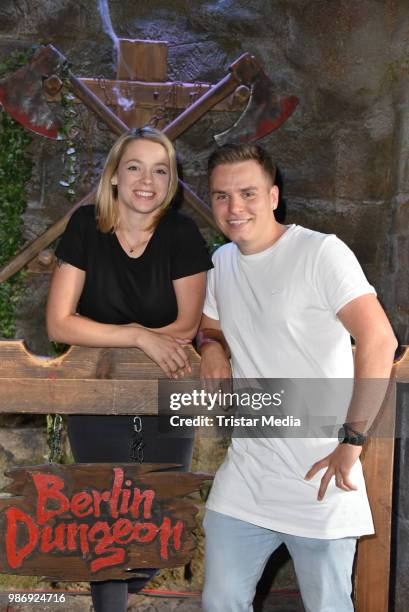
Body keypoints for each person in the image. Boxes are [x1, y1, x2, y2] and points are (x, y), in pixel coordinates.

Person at [197, 143, 397, 612]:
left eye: (247, 193)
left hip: (323, 475)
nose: (234, 207)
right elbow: (210, 325)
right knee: (220, 602)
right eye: (221, 196)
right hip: (247, 474)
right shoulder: (223, 262)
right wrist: (212, 347)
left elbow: (380, 341)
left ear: (273, 196)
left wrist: (351, 441)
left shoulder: (321, 252)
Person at [46, 126, 212, 612]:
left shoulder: (181, 234)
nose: (147, 180)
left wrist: (146, 336)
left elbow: (185, 326)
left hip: (167, 390)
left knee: (156, 517)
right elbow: (60, 322)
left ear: (172, 181)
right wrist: (139, 334)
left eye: (160, 171)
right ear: (115, 176)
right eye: (135, 167)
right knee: (106, 516)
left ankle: (130, 588)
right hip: (95, 392)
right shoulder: (86, 227)